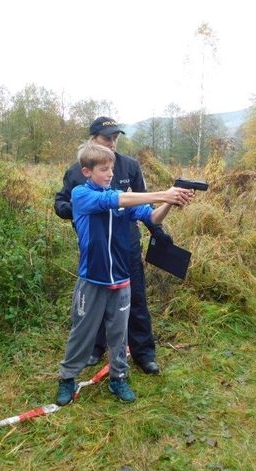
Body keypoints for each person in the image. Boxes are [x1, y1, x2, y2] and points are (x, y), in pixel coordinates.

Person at [56, 141, 193, 406]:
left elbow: (151, 218)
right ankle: (67, 378)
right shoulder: (81, 195)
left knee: (119, 335)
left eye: (111, 169)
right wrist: (164, 193)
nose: (110, 174)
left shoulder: (120, 196)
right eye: (104, 169)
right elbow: (112, 200)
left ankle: (118, 377)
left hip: (121, 279)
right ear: (87, 172)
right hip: (92, 280)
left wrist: (171, 202)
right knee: (82, 333)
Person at [54, 117, 173, 375]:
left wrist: (158, 227)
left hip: (126, 246)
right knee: (94, 306)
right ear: (93, 139)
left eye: (115, 138)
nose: (112, 143)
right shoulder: (77, 172)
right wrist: (66, 210)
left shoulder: (129, 165)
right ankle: (95, 349)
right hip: (95, 249)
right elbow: (64, 199)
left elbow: (142, 205)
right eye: (107, 138)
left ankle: (143, 353)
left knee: (136, 302)